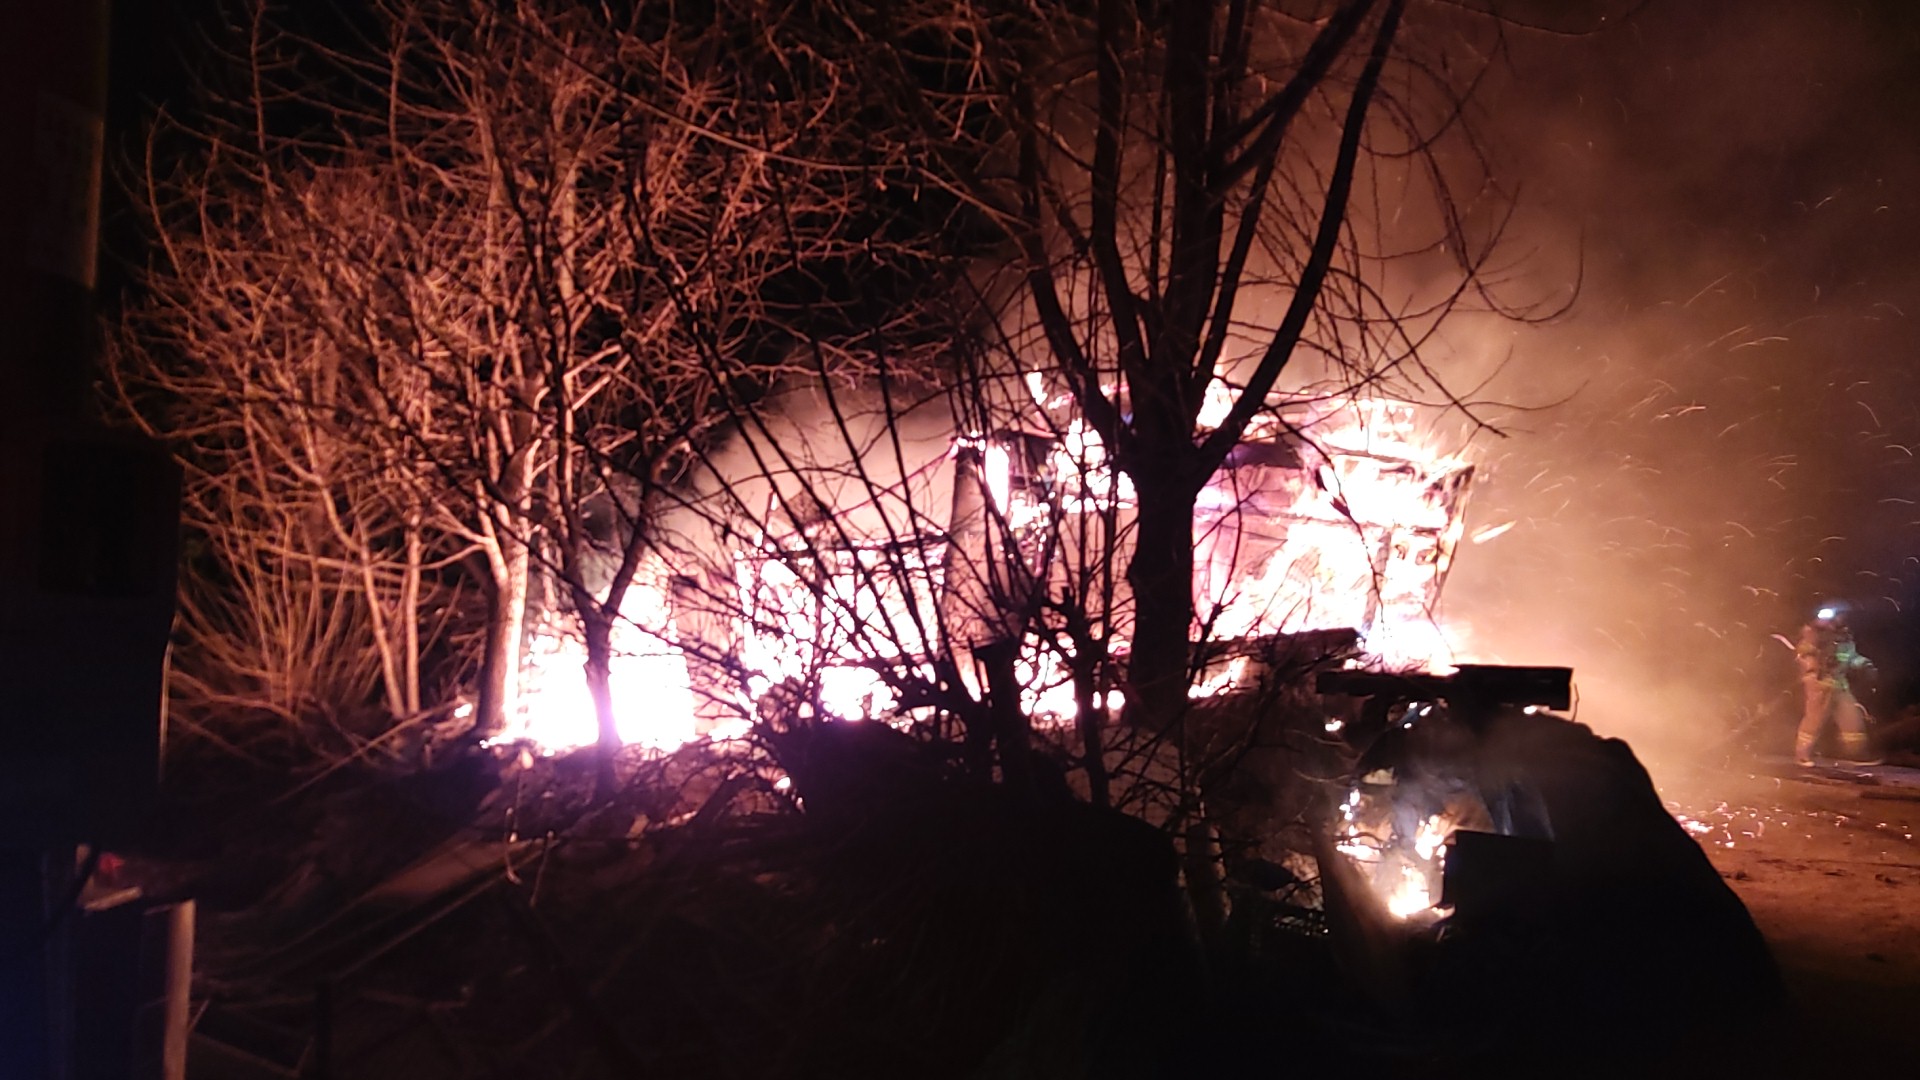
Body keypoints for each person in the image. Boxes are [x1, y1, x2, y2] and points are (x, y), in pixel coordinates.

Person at [1794, 602, 1879, 765]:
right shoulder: (1813, 633)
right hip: (1819, 685)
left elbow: (1850, 658)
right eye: (1839, 615)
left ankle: (1855, 754)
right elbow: (1804, 653)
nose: (1842, 618)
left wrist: (1864, 664)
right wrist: (1814, 669)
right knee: (1814, 721)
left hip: (1839, 685)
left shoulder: (1845, 637)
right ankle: (1802, 755)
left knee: (1852, 718)